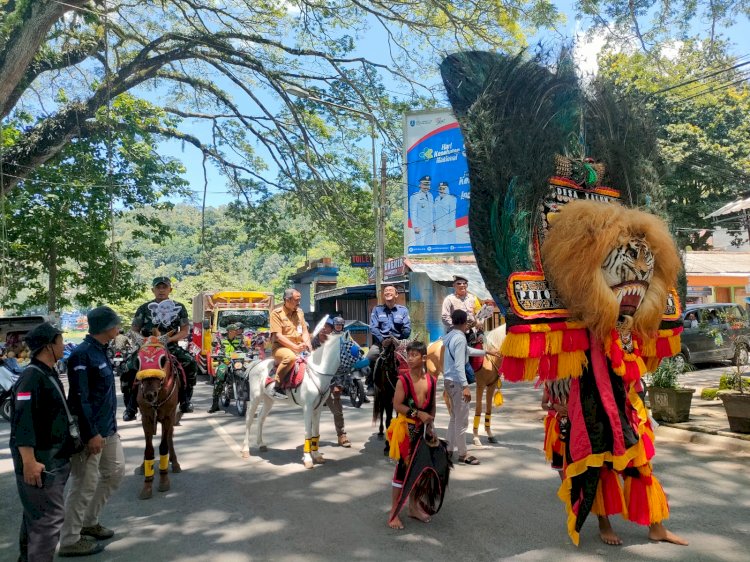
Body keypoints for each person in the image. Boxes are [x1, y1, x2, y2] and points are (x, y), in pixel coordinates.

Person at [58, 307, 125, 557]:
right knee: (84, 484)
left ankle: (89, 522)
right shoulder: (82, 355)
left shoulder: (100, 351)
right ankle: (69, 539)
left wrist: (109, 430)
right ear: (108, 327)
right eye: (117, 324)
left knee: (114, 472)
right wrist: (90, 434)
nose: (119, 328)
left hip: (108, 429)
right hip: (92, 432)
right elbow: (80, 398)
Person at [10, 323, 80, 561]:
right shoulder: (31, 378)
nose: (64, 345)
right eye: (60, 341)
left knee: (36, 519)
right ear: (49, 346)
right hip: (42, 464)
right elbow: (23, 423)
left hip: (54, 460)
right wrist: (29, 461)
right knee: (47, 524)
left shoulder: (46, 372)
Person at [123, 276, 196, 420]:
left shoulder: (179, 308)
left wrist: (168, 339)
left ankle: (185, 400)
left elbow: (184, 330)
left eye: (164, 287)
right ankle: (130, 406)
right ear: (153, 290)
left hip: (170, 346)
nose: (161, 290)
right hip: (147, 347)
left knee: (190, 363)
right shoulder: (144, 308)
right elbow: (134, 330)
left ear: (170, 289)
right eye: (158, 287)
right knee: (128, 367)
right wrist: (145, 341)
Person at [386, 340, 437, 529]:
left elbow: (431, 406)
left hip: (423, 431)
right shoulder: (403, 380)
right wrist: (418, 414)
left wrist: (431, 425)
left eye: (414, 355)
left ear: (424, 358)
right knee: (401, 471)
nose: (410, 358)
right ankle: (393, 513)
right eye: (409, 354)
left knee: (420, 470)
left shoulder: (431, 380)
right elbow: (397, 405)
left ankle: (414, 507)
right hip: (406, 430)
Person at [443, 309, 485, 465]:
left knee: (454, 417)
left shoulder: (452, 336)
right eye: (468, 322)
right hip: (458, 382)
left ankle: (447, 450)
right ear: (464, 322)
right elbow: (460, 365)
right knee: (462, 420)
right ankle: (463, 454)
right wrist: (465, 386)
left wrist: (486, 352)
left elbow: (467, 351)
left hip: (449, 380)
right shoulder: (460, 338)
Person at [313, 317, 351, 447]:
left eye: (327, 327)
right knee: (313, 410)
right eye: (322, 327)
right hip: (316, 382)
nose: (324, 329)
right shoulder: (313, 343)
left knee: (337, 401)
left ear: (331, 329)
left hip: (335, 378)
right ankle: (312, 437)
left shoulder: (337, 341)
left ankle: (341, 434)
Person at [367, 285, 411, 392]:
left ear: (396, 295)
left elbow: (407, 328)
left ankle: (410, 383)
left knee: (412, 358)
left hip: (399, 342)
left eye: (390, 290)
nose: (387, 292)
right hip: (381, 342)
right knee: (370, 357)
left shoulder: (403, 310)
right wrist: (382, 340)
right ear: (383, 295)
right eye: (385, 291)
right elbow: (373, 327)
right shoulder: (377, 309)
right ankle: (370, 384)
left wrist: (400, 339)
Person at [271, 288, 312, 398]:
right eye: (296, 300)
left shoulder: (300, 312)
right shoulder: (276, 314)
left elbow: (304, 331)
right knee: (290, 357)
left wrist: (308, 345)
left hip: (300, 346)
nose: (299, 303)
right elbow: (278, 336)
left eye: (299, 300)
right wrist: (295, 347)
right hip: (281, 348)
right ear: (287, 300)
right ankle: (277, 387)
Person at [208, 323, 249, 414]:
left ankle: (246, 394)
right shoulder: (220, 339)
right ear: (230, 331)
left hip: (237, 362)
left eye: (237, 330)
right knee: (220, 377)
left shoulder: (239, 340)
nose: (238, 332)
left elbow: (245, 350)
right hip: (224, 362)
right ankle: (215, 405)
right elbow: (215, 349)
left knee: (247, 374)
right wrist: (217, 354)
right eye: (235, 331)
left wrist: (250, 352)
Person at [409, 175, 434, 246]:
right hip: (420, 227)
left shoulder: (431, 196)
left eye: (428, 185)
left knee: (429, 246)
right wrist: (415, 226)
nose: (426, 187)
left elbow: (432, 211)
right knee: (420, 246)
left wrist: (433, 224)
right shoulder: (415, 196)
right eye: (424, 184)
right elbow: (413, 212)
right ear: (420, 185)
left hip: (430, 226)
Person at [433, 181, 457, 245]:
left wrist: (451, 225)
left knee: (449, 246)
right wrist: (434, 224)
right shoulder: (436, 199)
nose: (441, 190)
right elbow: (435, 213)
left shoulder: (451, 198)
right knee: (440, 245)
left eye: (443, 188)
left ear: (447, 189)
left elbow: (452, 213)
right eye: (440, 189)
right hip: (439, 227)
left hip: (448, 227)